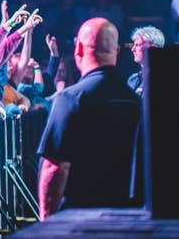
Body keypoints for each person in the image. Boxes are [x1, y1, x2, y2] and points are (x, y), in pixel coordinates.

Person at [37, 18, 141, 220]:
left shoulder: (69, 99)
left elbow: (55, 167)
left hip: (80, 217)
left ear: (79, 50)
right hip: (128, 217)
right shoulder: (135, 101)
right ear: (117, 51)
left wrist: (46, 221)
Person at [128, 25, 165, 96]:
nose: (132, 49)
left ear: (152, 48)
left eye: (137, 45)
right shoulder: (132, 80)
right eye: (133, 45)